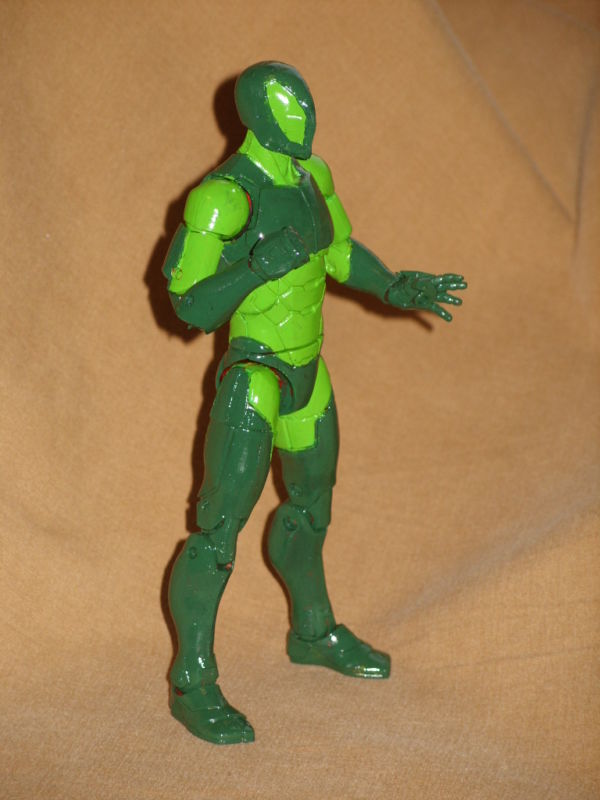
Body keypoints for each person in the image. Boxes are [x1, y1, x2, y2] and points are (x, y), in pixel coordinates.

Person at [162, 61, 466, 744]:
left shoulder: (312, 177)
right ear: (259, 114)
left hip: (308, 373)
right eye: (291, 108)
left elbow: (339, 253)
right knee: (217, 533)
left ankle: (312, 630)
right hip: (255, 375)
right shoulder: (223, 199)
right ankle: (192, 681)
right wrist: (253, 267)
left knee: (310, 509)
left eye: (307, 105)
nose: (305, 118)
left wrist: (393, 286)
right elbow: (188, 305)